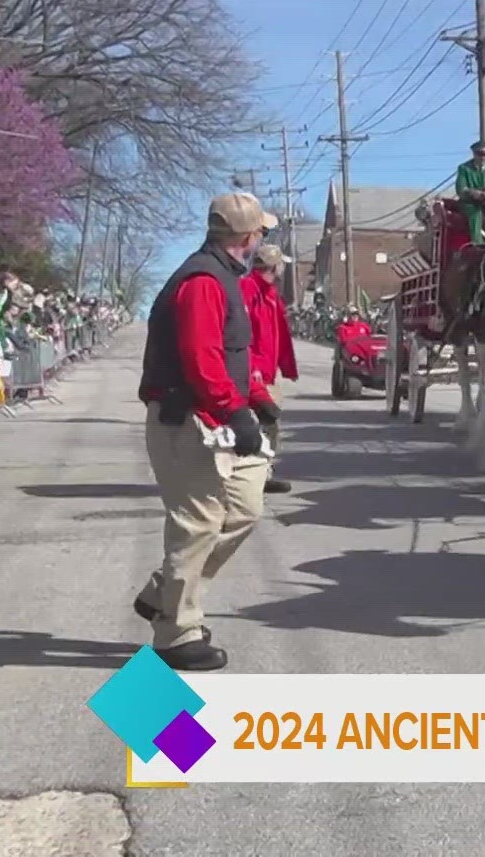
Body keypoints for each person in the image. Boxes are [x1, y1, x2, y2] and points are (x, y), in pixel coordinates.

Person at [134, 193, 278, 671]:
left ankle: (163, 592)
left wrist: (251, 395)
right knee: (195, 526)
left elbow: (227, 351)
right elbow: (201, 359)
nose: (261, 241)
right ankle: (175, 634)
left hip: (211, 415)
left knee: (243, 509)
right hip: (189, 420)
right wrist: (235, 412)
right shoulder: (202, 281)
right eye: (261, 233)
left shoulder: (221, 276)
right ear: (246, 237)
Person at [241, 244, 298, 496]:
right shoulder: (247, 289)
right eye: (280, 265)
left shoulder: (271, 294)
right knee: (263, 422)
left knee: (270, 423)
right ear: (274, 266)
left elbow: (279, 333)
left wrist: (285, 365)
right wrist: (251, 368)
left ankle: (263, 473)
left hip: (267, 372)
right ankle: (251, 476)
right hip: (252, 373)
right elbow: (241, 333)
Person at [455, 139, 485, 245]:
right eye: (479, 154)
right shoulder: (464, 168)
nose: (482, 157)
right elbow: (461, 188)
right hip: (470, 202)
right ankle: (477, 243)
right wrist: (472, 193)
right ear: (474, 154)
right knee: (475, 213)